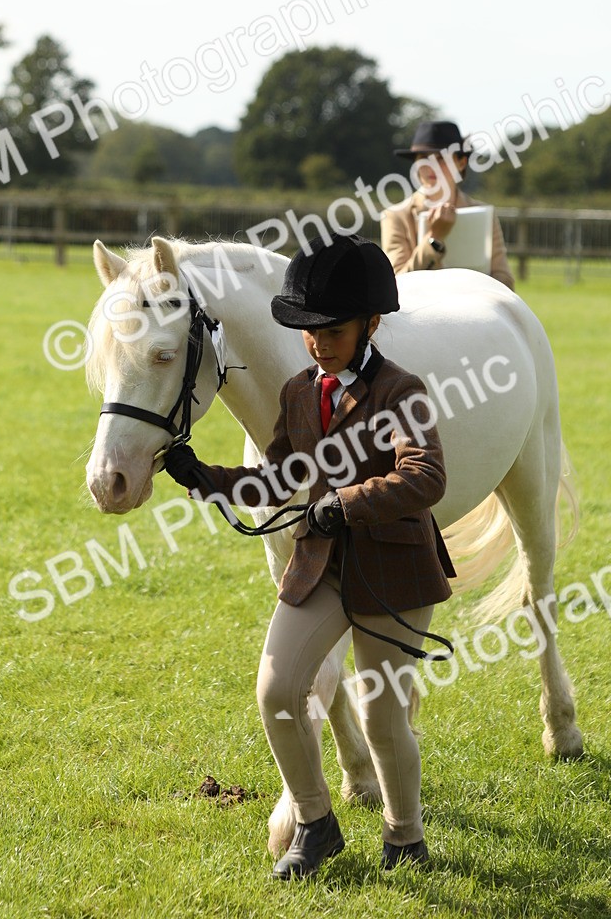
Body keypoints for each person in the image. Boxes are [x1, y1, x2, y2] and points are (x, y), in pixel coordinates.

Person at [163, 234, 455, 879]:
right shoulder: (299, 391)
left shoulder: (400, 389)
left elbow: (426, 477)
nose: (319, 342)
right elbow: (273, 480)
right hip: (320, 564)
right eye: (307, 330)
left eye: (333, 330)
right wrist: (201, 475)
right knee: (277, 690)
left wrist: (345, 502)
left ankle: (405, 837)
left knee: (383, 713)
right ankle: (317, 823)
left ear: (371, 325)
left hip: (392, 571)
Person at [381, 120, 515, 289]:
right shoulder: (396, 216)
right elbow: (398, 284)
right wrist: (434, 240)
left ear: (461, 162)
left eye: (441, 158)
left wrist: (474, 290)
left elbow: (505, 281)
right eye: (423, 158)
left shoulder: (484, 213)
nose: (431, 166)